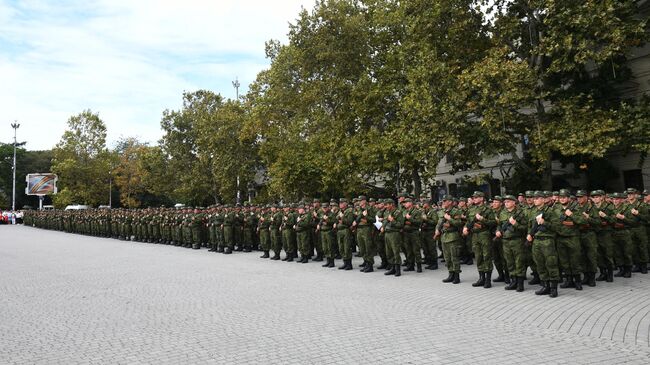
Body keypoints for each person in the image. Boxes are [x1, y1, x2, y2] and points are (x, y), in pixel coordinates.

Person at [436, 195, 465, 284]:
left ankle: (456, 276)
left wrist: (450, 219)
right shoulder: (442, 212)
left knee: (454, 257)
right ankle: (450, 274)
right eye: (443, 201)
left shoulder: (456, 211)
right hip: (444, 237)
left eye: (445, 201)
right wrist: (437, 229)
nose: (443, 203)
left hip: (453, 236)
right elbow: (439, 222)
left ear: (450, 202)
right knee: (447, 258)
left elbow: (459, 224)